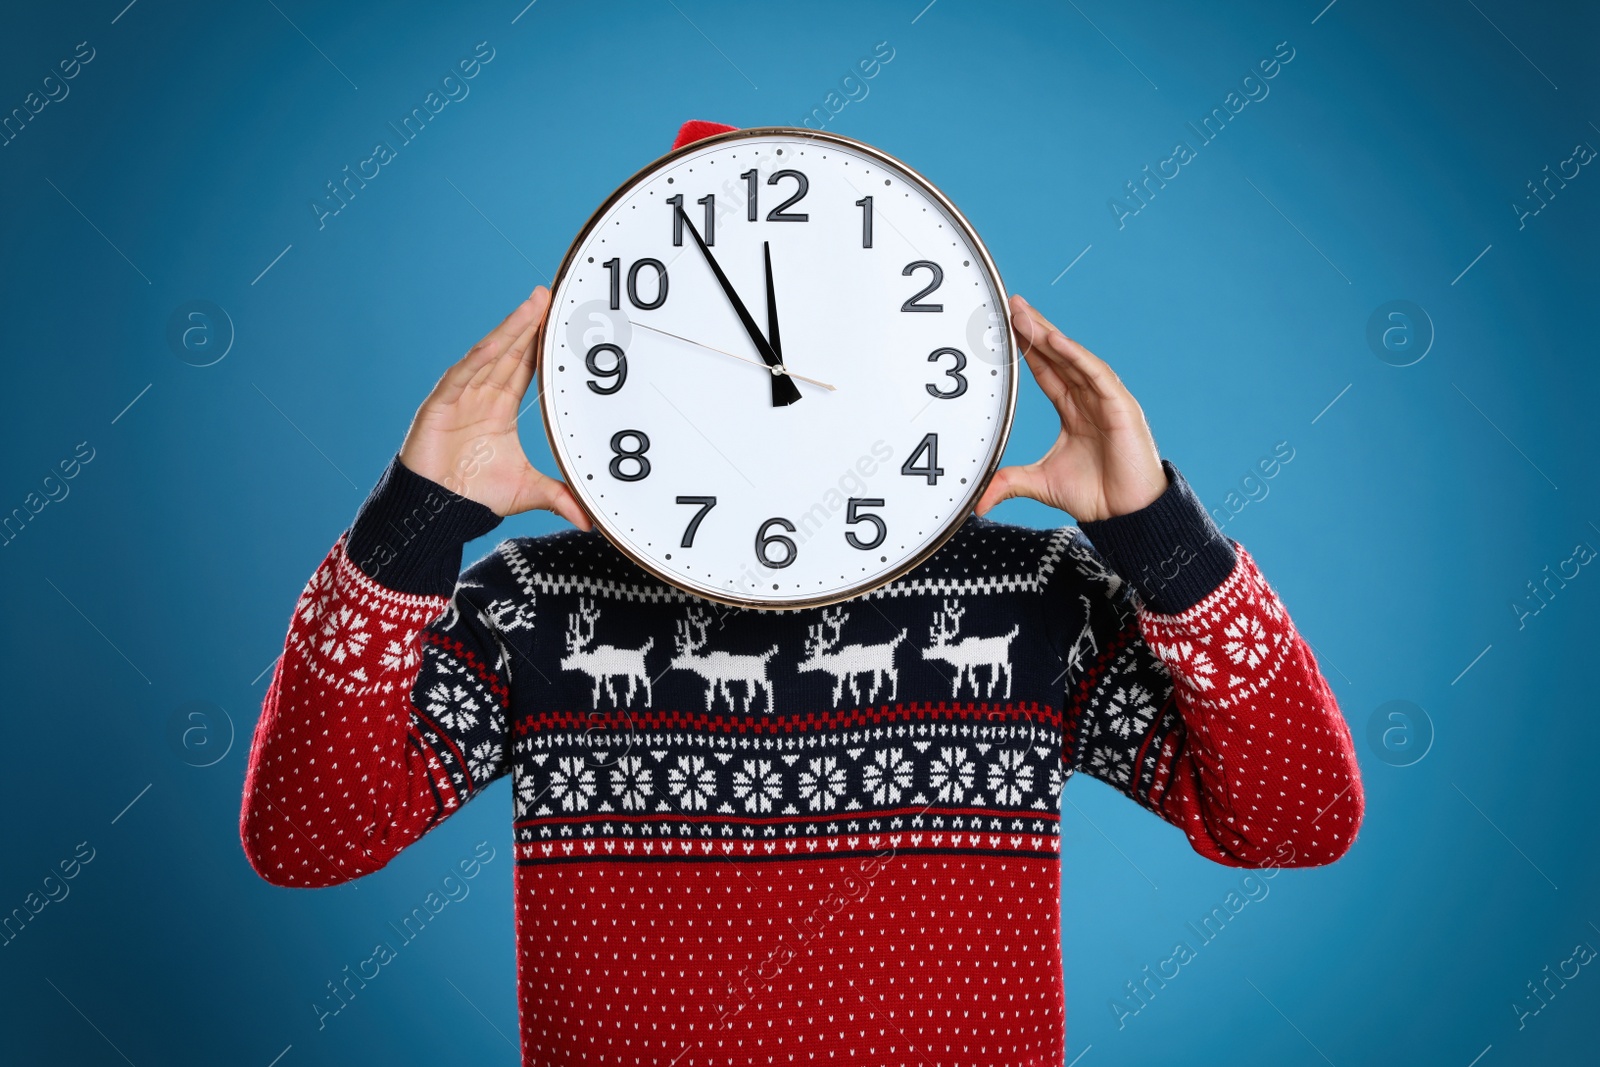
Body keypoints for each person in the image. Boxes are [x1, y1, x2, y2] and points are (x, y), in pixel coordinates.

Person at [240, 121, 1363, 1066]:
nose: (774, 386)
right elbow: (306, 838)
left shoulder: (1030, 598)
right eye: (713, 353)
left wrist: (1155, 534)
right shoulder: (532, 601)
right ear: (614, 368)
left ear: (912, 357)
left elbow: (1296, 817)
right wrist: (414, 522)